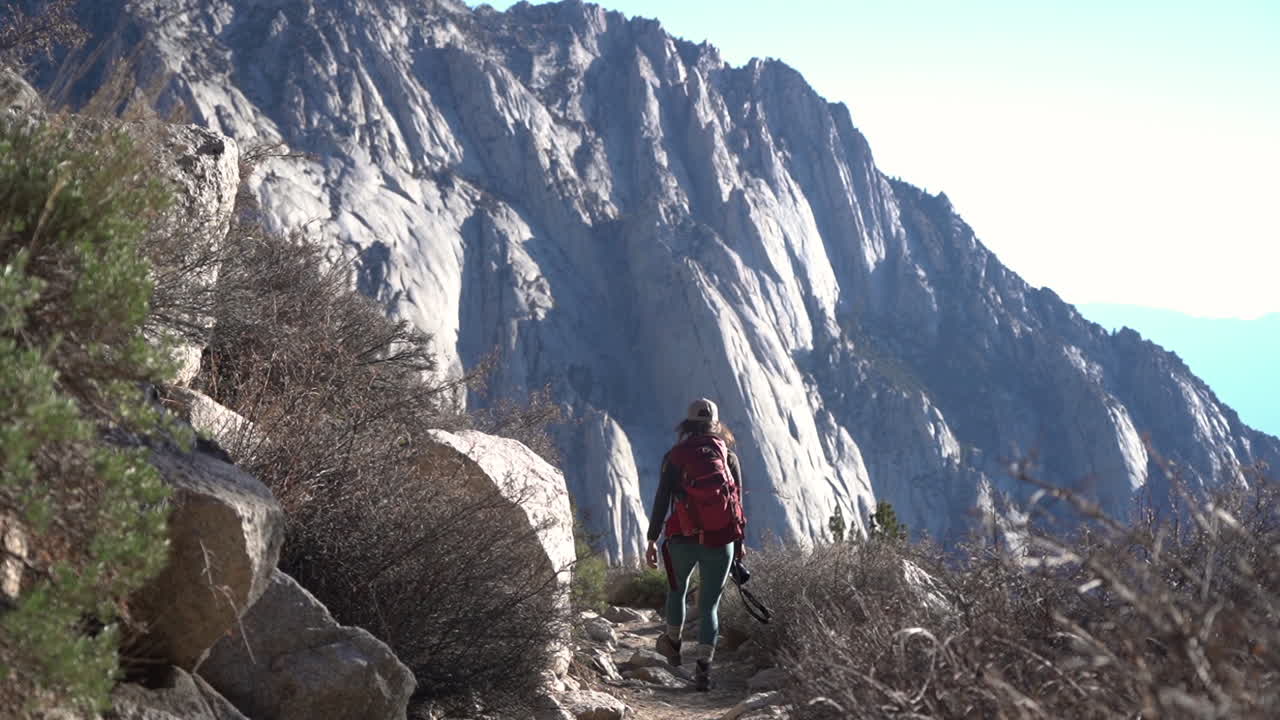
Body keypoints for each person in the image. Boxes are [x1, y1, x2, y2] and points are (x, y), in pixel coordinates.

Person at [644, 397, 746, 692]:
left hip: (682, 536)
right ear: (716, 423)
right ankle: (704, 670)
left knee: (677, 591)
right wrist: (739, 543)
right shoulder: (728, 456)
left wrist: (652, 539)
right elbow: (737, 503)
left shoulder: (674, 456)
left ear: (687, 423)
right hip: (720, 538)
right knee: (710, 605)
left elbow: (662, 499)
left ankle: (673, 648)